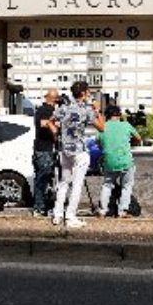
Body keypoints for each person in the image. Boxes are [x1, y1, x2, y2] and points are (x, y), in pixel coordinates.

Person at [51, 81, 105, 228]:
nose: (89, 95)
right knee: (77, 184)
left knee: (63, 182)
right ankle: (70, 216)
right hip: (79, 150)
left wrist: (56, 134)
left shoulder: (64, 107)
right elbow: (102, 127)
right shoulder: (86, 109)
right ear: (83, 93)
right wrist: (97, 110)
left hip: (65, 149)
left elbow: (51, 120)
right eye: (88, 92)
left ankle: (57, 215)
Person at [97, 106, 141, 218]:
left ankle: (102, 210)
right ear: (119, 115)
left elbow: (98, 142)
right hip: (125, 161)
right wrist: (132, 142)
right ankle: (122, 211)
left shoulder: (103, 126)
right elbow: (138, 138)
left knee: (107, 185)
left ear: (107, 115)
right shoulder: (126, 125)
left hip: (109, 161)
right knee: (126, 185)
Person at [32, 88, 59, 217]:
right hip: (43, 149)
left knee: (47, 179)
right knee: (42, 178)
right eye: (55, 98)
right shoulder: (43, 110)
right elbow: (43, 123)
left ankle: (45, 205)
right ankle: (38, 207)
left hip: (48, 149)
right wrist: (53, 127)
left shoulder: (52, 111)